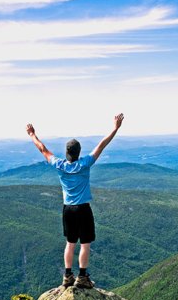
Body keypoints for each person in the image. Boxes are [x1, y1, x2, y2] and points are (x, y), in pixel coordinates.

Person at [26, 113, 124, 289]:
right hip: (83, 209)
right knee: (85, 244)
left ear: (67, 153)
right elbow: (102, 145)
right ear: (79, 152)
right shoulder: (85, 164)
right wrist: (115, 128)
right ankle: (82, 277)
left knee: (70, 243)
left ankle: (67, 276)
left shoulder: (60, 165)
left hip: (68, 209)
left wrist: (32, 134)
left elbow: (42, 149)